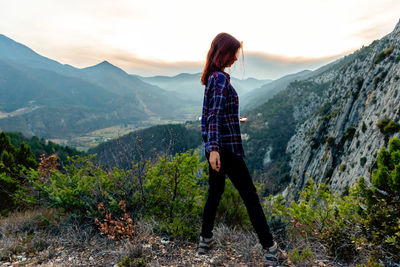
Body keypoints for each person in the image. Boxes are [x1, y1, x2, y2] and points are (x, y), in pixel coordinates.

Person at [198, 32, 286, 265]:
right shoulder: (219, 79)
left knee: (214, 194)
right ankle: (271, 249)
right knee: (250, 197)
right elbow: (214, 115)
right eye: (233, 54)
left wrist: (216, 143)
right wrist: (216, 149)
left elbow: (213, 115)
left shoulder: (213, 78)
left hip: (216, 148)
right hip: (225, 149)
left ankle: (204, 241)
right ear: (223, 52)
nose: (236, 59)